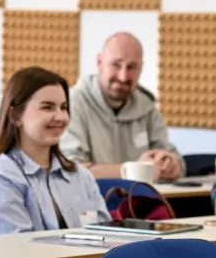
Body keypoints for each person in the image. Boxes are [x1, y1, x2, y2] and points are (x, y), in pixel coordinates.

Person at [0, 66, 111, 236]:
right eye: (47, 107)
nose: (61, 117)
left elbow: (105, 239)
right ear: (15, 116)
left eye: (63, 107)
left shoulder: (80, 176)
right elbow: (20, 256)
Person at [60, 32, 185, 182]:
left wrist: (171, 165)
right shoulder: (70, 104)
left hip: (139, 202)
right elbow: (72, 170)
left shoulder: (147, 107)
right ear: (99, 62)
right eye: (116, 65)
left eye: (132, 67)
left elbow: (174, 158)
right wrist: (137, 170)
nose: (123, 76)